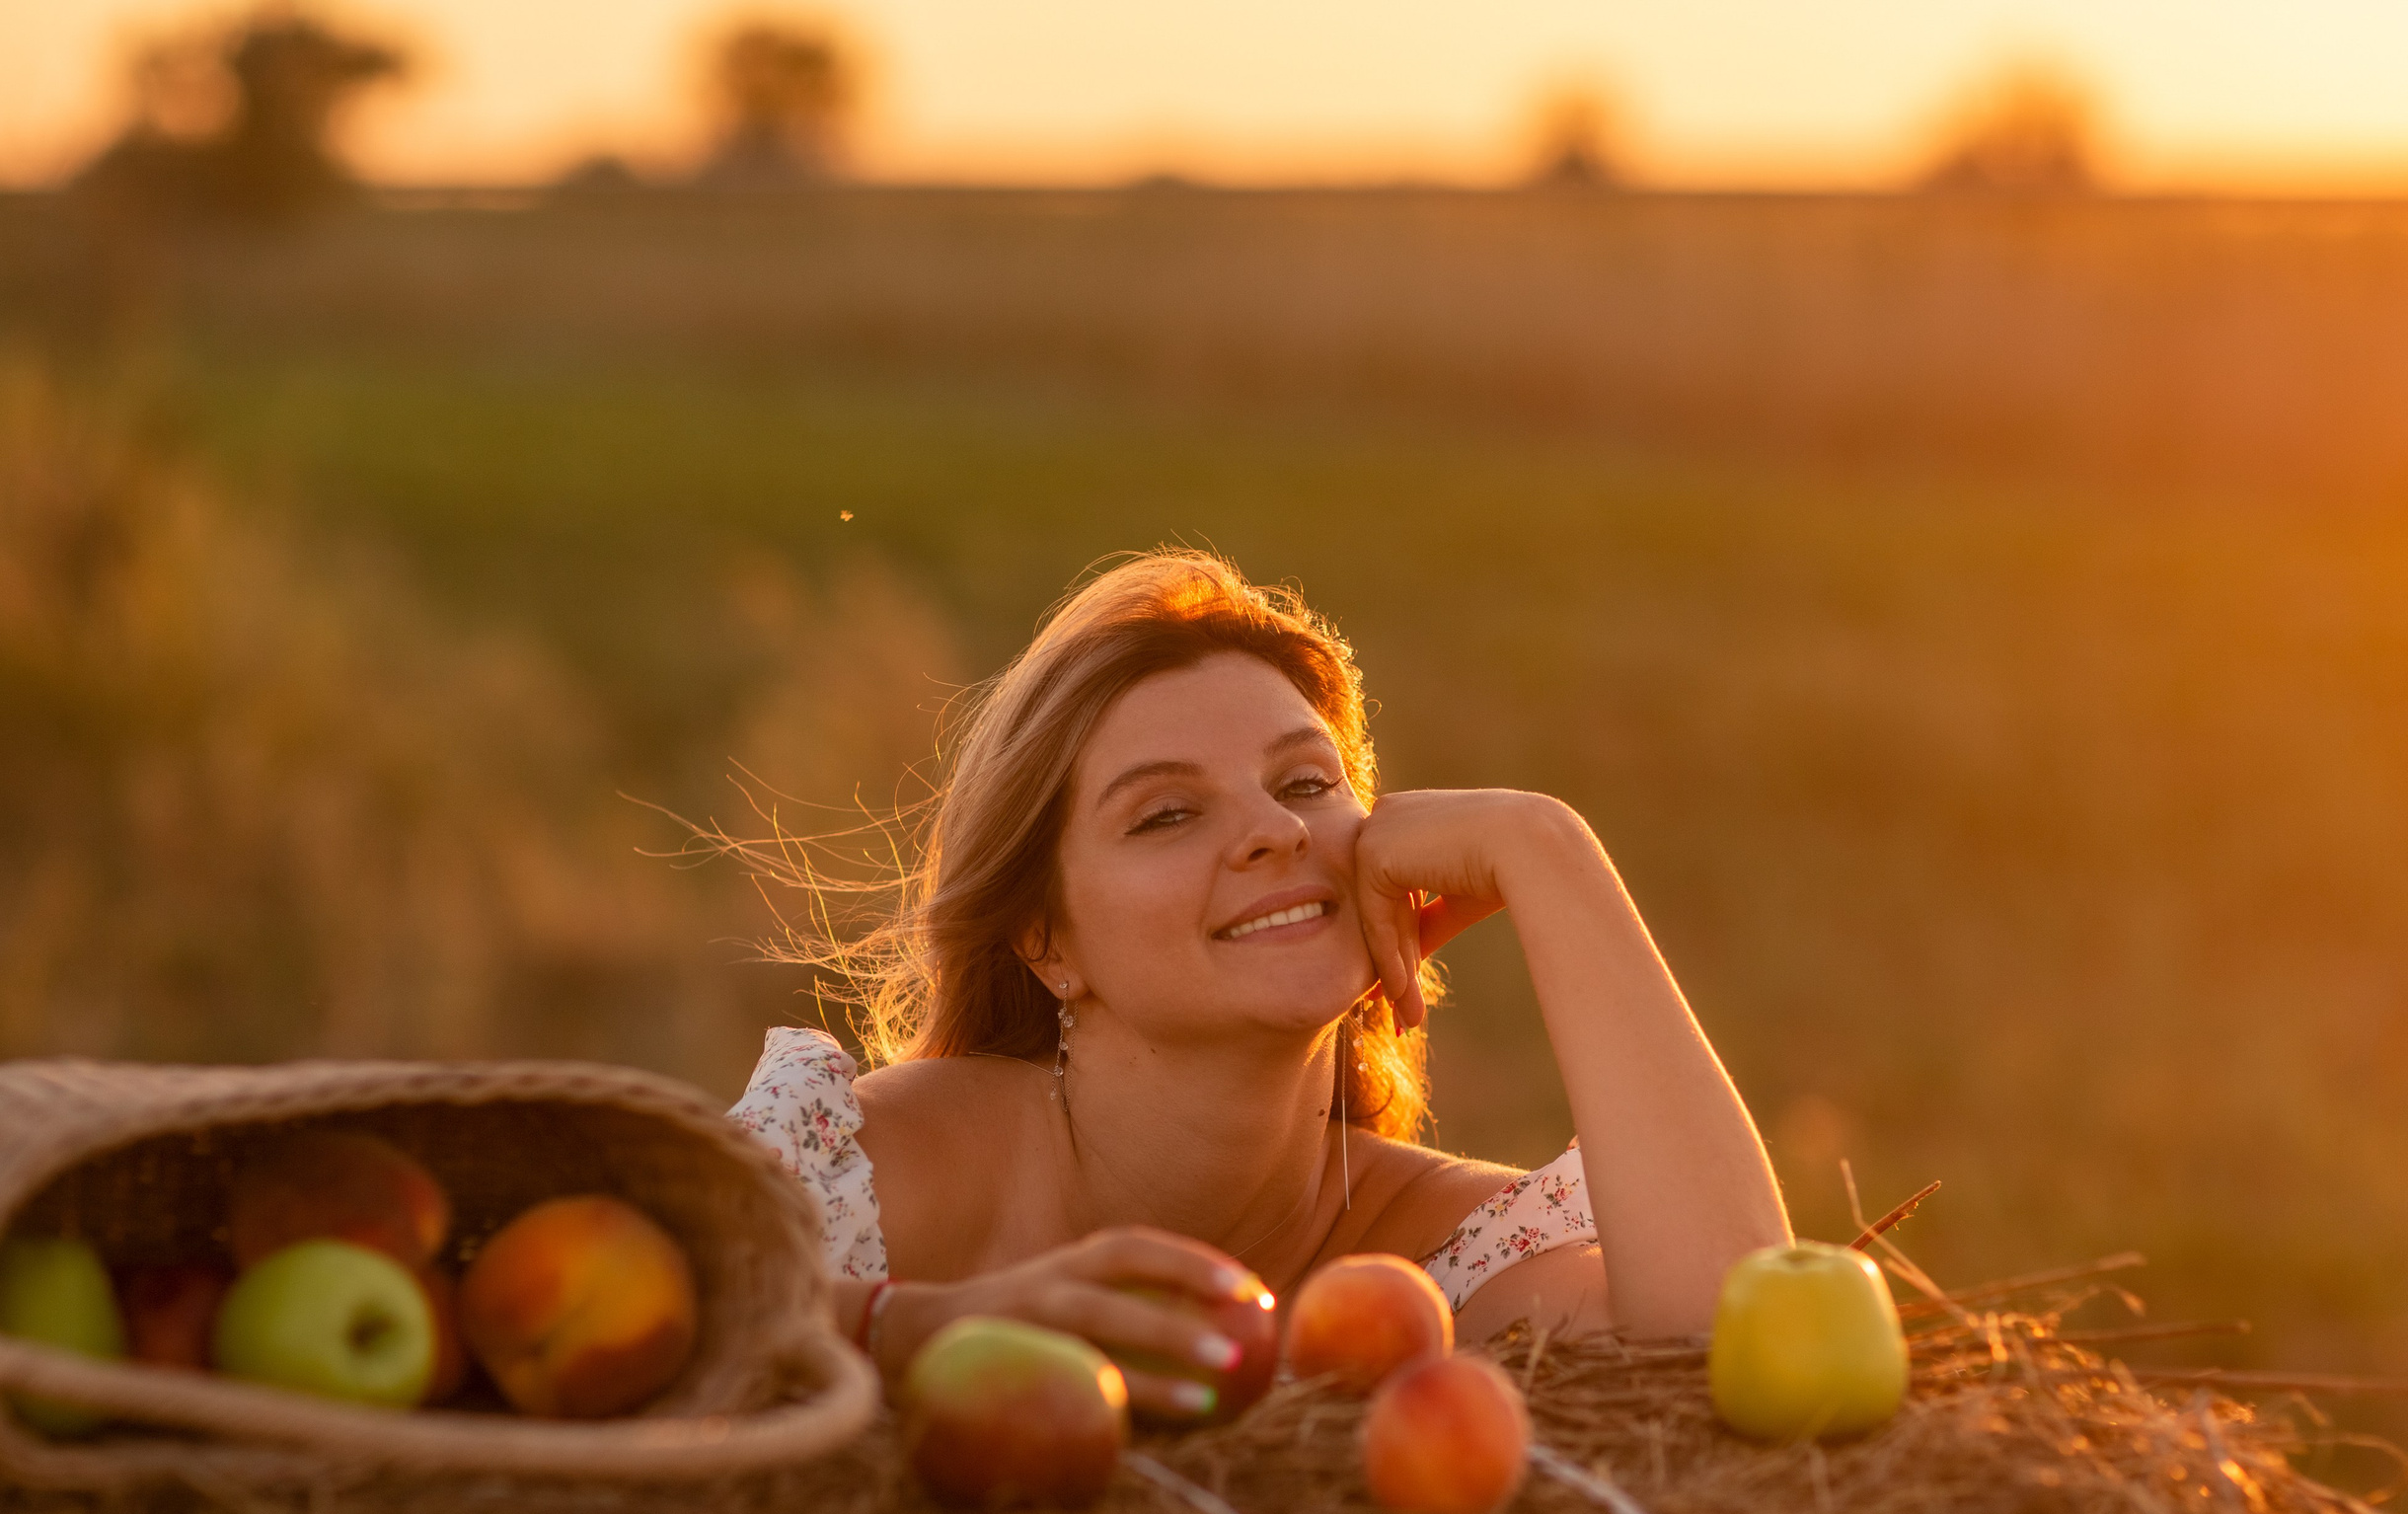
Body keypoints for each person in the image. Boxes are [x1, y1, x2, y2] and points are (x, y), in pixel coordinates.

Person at [724, 551, 1790, 1415]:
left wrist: (1549, 850)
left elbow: (1740, 1365)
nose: (1276, 831)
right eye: (1167, 813)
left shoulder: (1458, 1257)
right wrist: (913, 1323)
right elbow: (632, 1324)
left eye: (1305, 783)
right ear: (1046, 941)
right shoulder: (866, 1168)